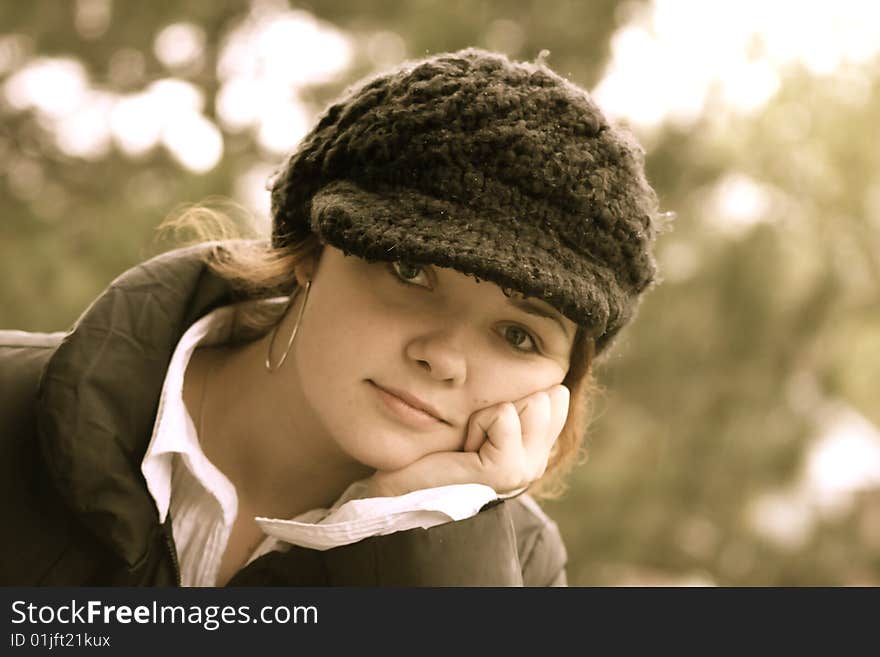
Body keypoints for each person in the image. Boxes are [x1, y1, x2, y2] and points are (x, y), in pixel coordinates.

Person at [0, 48, 660, 586]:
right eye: (410, 270)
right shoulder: (13, 404)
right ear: (310, 250)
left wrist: (422, 535)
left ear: (560, 382)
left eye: (518, 334)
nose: (443, 356)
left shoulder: (517, 571)